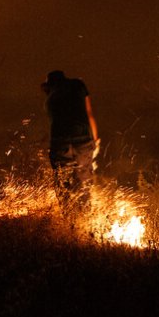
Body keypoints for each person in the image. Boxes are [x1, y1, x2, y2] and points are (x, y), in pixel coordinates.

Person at [41, 70, 99, 213]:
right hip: (83, 140)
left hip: (60, 143)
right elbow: (89, 113)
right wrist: (95, 139)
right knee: (84, 181)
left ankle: (68, 220)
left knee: (63, 183)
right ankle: (85, 217)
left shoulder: (50, 100)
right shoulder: (78, 85)